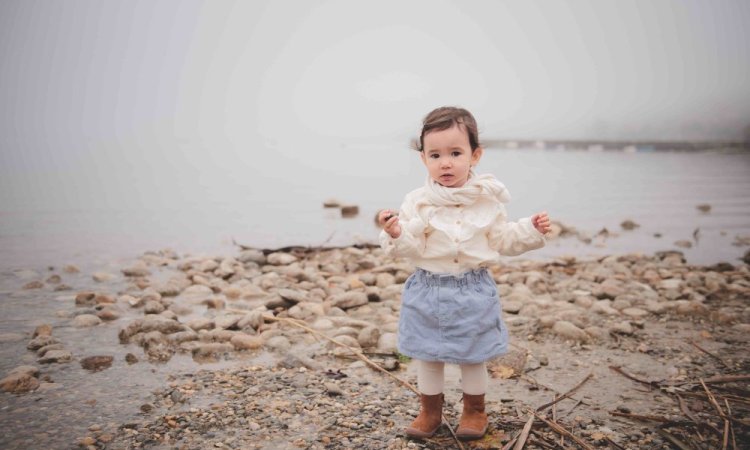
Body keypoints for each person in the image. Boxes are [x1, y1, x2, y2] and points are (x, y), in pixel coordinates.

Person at [377, 106, 551, 441]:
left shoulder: (488, 201)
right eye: (435, 154)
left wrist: (531, 229)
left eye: (455, 153)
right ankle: (430, 410)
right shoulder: (418, 201)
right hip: (427, 288)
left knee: (473, 357)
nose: (445, 162)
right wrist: (397, 233)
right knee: (428, 356)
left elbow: (503, 239)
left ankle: (474, 409)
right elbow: (412, 247)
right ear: (424, 159)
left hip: (472, 289)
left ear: (475, 155)